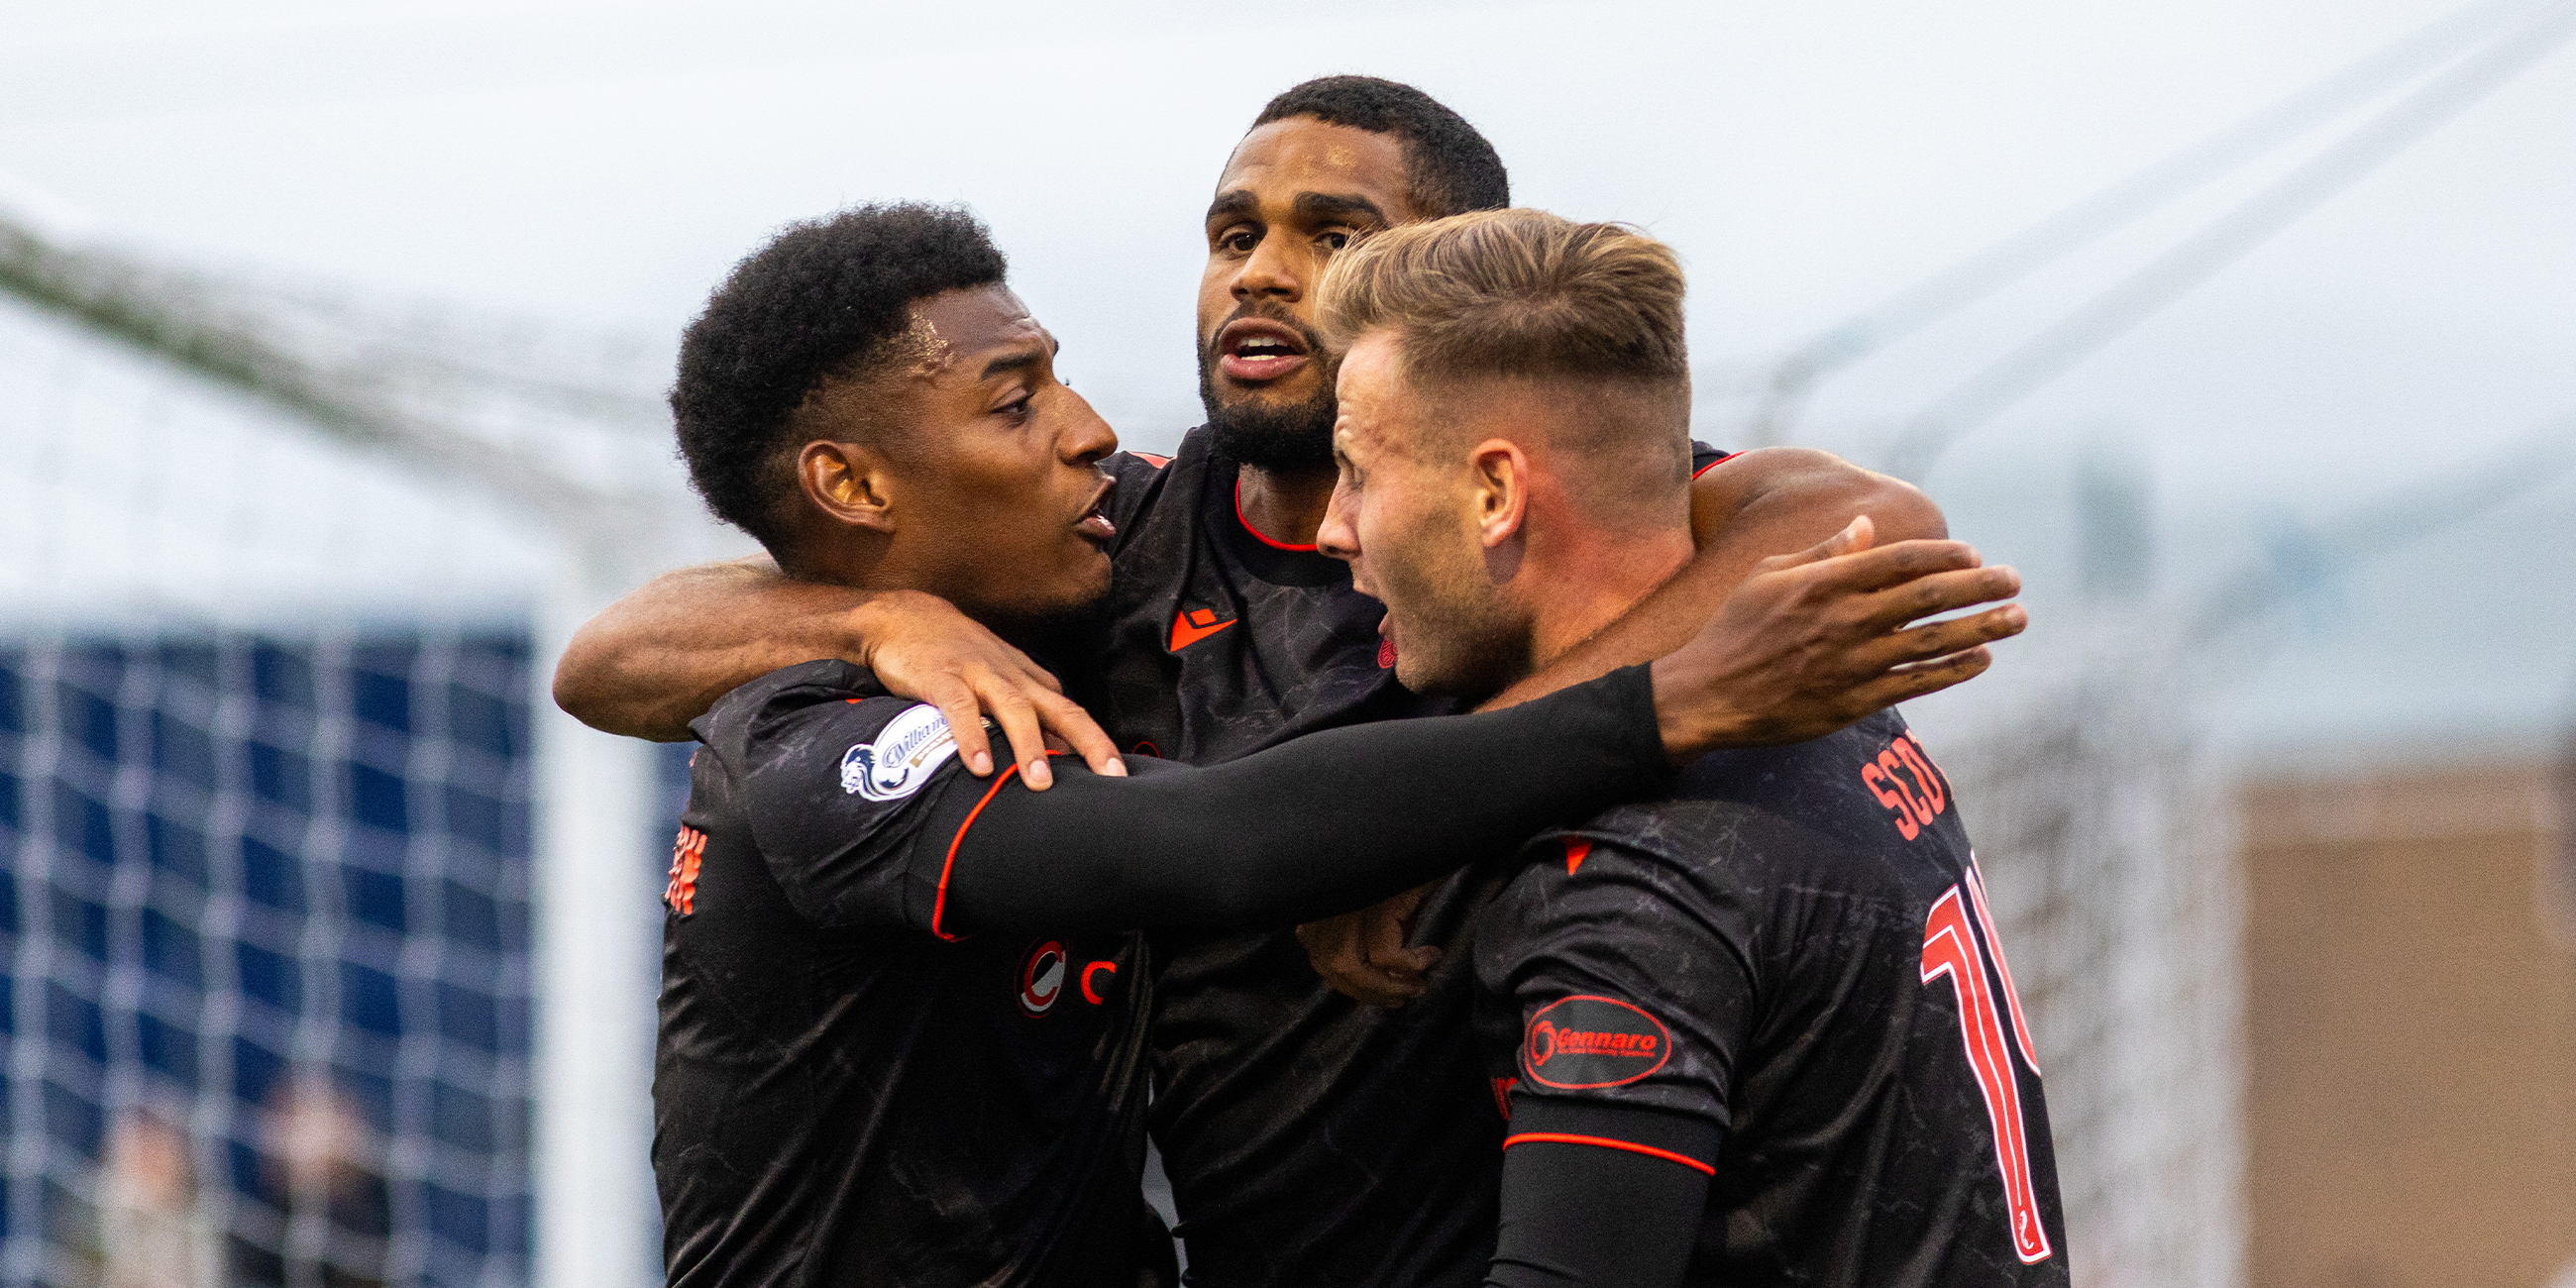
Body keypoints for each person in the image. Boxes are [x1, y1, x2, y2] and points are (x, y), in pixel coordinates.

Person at [559, 77, 2014, 1286]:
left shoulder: (1542, 551)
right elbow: (614, 656)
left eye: (1332, 233)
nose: (1260, 268)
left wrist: (1457, 802)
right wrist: (874, 615)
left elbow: (1863, 527)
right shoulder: (1114, 551)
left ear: (1435, 279)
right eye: (1230, 230)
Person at [1312, 207, 2069, 1286]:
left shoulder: (1624, 880)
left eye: (1356, 471)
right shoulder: (1824, 692)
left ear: (1494, 494)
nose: (1332, 527)